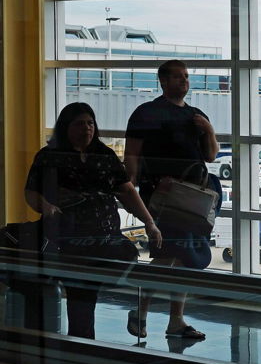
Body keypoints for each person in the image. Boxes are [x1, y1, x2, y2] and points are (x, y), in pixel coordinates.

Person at [24, 102, 162, 339]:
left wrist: (149, 222)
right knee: (81, 292)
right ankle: (81, 345)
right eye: (80, 123)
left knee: (118, 262)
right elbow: (31, 191)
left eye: (90, 123)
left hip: (104, 235)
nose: (87, 128)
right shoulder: (50, 156)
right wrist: (46, 206)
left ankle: (82, 342)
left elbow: (128, 191)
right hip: (70, 238)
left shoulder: (104, 155)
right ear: (66, 127)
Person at [123, 60, 220, 341]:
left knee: (184, 257)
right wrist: (131, 187)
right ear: (163, 81)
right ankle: (146, 311)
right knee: (169, 255)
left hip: (192, 197)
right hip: (163, 196)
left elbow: (211, 155)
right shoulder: (147, 113)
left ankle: (171, 319)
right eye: (178, 77)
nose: (184, 81)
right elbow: (132, 155)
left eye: (187, 77)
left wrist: (209, 130)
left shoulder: (196, 116)